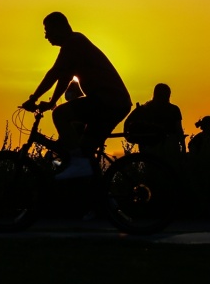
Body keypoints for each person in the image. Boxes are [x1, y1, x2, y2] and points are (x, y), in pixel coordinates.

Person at [21, 11, 132, 179]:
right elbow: (64, 77)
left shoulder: (74, 42)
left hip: (108, 101)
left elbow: (55, 73)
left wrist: (33, 98)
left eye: (47, 30)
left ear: (59, 27)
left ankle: (79, 165)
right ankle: (104, 198)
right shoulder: (75, 44)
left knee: (61, 114)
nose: (46, 36)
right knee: (85, 152)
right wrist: (51, 102)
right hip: (114, 103)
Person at [135, 83, 186, 168]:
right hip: (170, 145)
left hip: (151, 146)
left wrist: (142, 149)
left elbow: (141, 130)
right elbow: (179, 130)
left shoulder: (146, 109)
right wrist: (183, 148)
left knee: (153, 173)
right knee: (170, 172)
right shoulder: (174, 109)